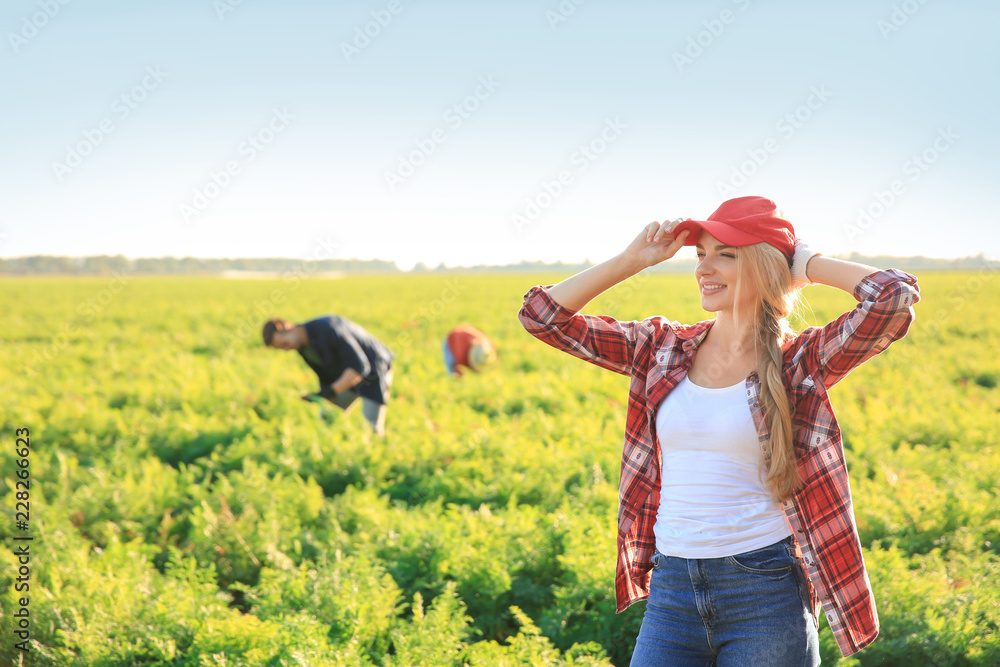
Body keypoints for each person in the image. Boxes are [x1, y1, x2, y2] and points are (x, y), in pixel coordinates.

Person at [518, 196, 919, 665]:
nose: (704, 268)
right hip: (671, 590)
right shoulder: (661, 347)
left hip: (765, 592)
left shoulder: (801, 362)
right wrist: (632, 261)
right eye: (700, 254)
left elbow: (893, 297)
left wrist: (805, 263)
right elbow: (542, 315)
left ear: (766, 265)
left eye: (724, 254)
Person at [263, 315, 394, 437]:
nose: (286, 349)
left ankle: (379, 456)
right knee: (326, 418)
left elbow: (360, 367)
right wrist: (323, 395)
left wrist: (330, 392)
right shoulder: (302, 347)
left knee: (372, 428)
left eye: (285, 344)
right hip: (348, 376)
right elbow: (325, 374)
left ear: (290, 328)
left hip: (375, 371)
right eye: (282, 348)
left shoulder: (328, 328)